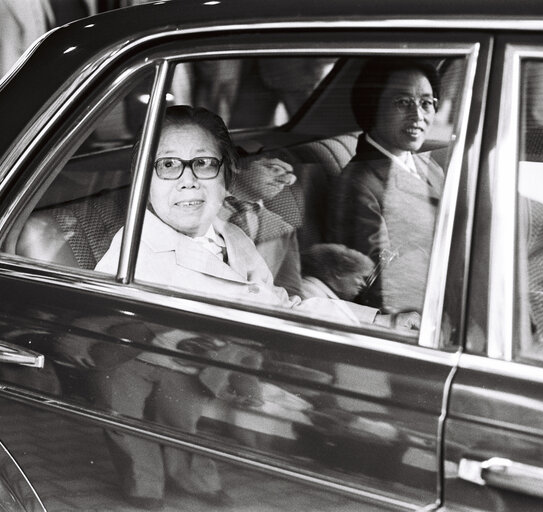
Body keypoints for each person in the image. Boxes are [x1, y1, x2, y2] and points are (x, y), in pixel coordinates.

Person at [94, 105, 406, 509]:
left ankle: (194, 481)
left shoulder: (230, 237)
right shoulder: (133, 249)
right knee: (130, 427)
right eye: (167, 165)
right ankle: (145, 492)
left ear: (227, 175)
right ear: (143, 178)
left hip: (191, 361)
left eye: (203, 164)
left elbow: (282, 306)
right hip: (133, 357)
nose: (187, 181)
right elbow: (106, 317)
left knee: (185, 424)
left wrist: (381, 320)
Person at [329, 58, 445, 316]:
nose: (418, 115)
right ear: (372, 106)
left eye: (426, 103)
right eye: (403, 102)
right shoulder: (359, 184)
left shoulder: (426, 165)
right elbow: (377, 284)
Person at [220, 154, 303, 295]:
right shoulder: (195, 206)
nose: (285, 180)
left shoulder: (283, 229)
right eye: (275, 169)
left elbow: (290, 289)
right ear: (237, 165)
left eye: (290, 175)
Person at [300, 243, 374, 301]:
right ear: (339, 272)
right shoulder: (311, 294)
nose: (364, 284)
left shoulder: (317, 292)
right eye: (359, 277)